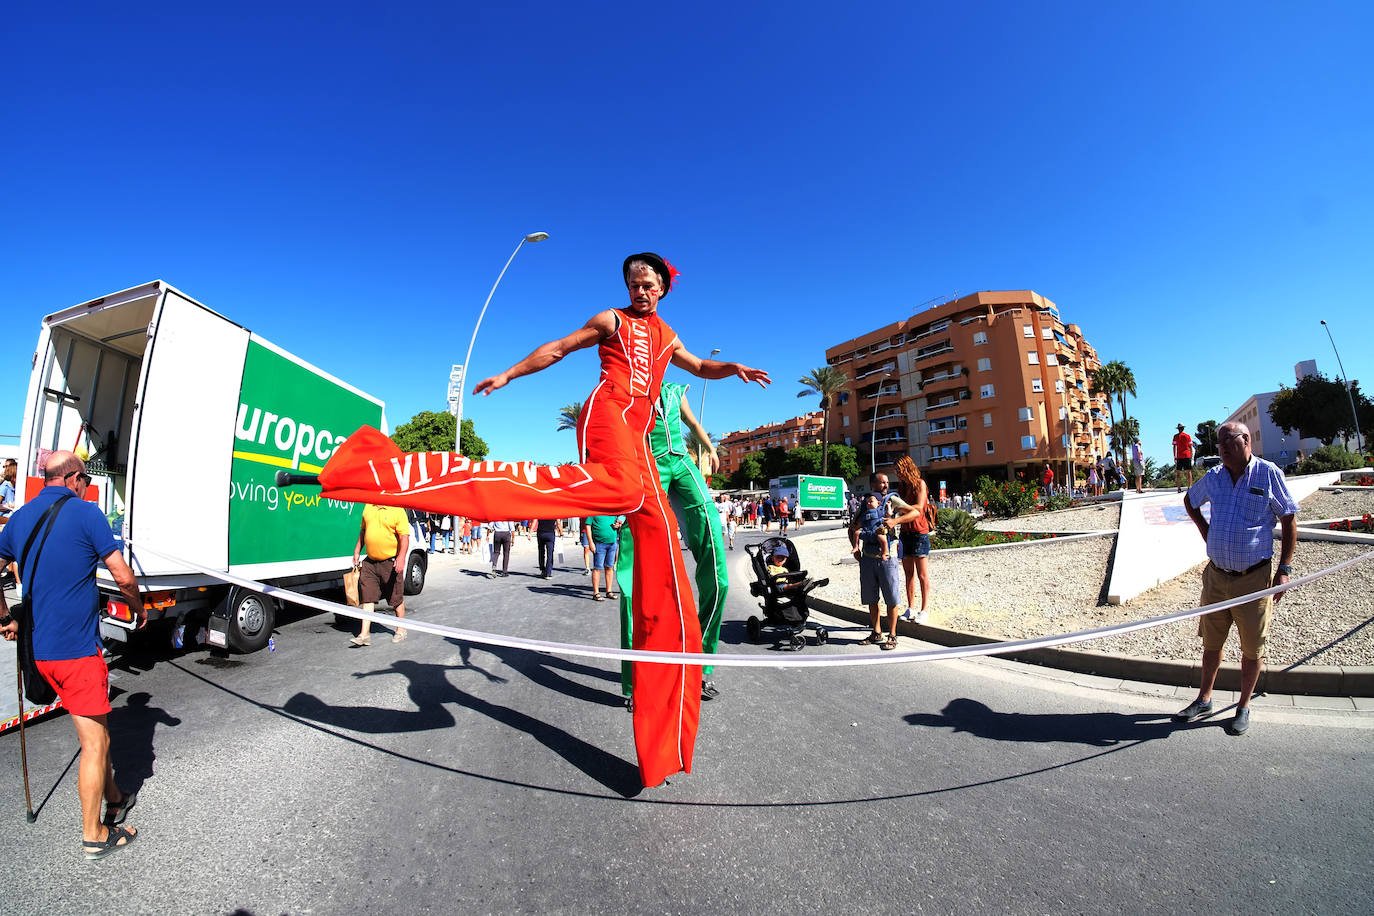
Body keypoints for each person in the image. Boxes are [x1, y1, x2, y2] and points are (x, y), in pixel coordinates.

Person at [316, 252, 769, 788]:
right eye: (633, 283)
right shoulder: (611, 320)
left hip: (642, 442)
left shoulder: (668, 334)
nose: (639, 291)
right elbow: (557, 348)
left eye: (647, 285)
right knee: (622, 490)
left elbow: (697, 367)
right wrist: (510, 373)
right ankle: (515, 486)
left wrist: (732, 368)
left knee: (665, 548)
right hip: (606, 419)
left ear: (664, 289)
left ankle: (662, 730)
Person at [0, 451, 146, 859]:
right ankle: (94, 835)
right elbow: (122, 575)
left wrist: (4, 618)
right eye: (84, 479)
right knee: (94, 742)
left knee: (95, 729)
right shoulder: (87, 514)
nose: (86, 486)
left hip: (40, 653)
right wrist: (138, 609)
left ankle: (114, 796)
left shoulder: (19, 519)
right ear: (74, 478)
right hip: (77, 652)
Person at [1174, 422, 1298, 736]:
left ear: (1245, 440)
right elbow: (1190, 501)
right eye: (1219, 443)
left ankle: (1243, 706)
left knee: (1252, 648)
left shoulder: (1268, 474)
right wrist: (1207, 531)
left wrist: (1284, 569)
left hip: (1252, 581)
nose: (1222, 447)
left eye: (1227, 441)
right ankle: (1204, 699)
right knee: (1212, 644)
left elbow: (1288, 518)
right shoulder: (1214, 478)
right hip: (1216, 579)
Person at [615, 382, 729, 702]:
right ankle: (634, 680)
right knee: (632, 578)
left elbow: (692, 423)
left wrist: (710, 447)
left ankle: (700, 668)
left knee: (719, 579)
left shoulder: (676, 390)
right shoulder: (627, 388)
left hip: (682, 462)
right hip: (648, 465)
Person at [848, 473, 902, 650]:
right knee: (872, 598)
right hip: (868, 559)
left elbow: (915, 511)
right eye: (882, 482)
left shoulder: (892, 500)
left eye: (887, 482)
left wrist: (895, 520)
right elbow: (853, 527)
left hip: (888, 558)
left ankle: (892, 635)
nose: (886, 485)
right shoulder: (865, 504)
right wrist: (855, 549)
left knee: (891, 598)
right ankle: (876, 631)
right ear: (873, 484)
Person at [350, 502, 410, 645]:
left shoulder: (397, 509)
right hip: (370, 562)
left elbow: (404, 537)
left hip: (390, 562)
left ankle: (401, 629)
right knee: (367, 597)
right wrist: (357, 551)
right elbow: (363, 532)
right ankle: (364, 634)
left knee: (395, 598)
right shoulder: (368, 507)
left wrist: (401, 558)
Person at [893, 455, 932, 624]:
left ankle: (924, 610)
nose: (897, 474)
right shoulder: (902, 487)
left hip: (919, 532)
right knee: (908, 573)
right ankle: (911, 608)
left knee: (922, 574)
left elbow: (920, 508)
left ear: (906, 468)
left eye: (899, 470)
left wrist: (902, 507)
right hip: (905, 533)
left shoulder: (920, 484)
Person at [588, 514, 622, 600]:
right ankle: (596, 593)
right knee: (597, 568)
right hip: (599, 543)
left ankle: (609, 591)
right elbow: (588, 526)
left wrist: (618, 525)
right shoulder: (593, 510)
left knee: (609, 567)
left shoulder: (611, 510)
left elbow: (618, 523)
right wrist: (591, 542)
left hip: (612, 543)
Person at [1173, 423, 1195, 493]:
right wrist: (1191, 456)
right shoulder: (1187, 436)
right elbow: (1190, 447)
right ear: (1183, 429)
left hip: (1179, 456)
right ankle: (1190, 487)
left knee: (1178, 473)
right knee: (1189, 472)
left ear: (1178, 429)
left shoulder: (1175, 436)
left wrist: (1175, 456)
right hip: (1187, 455)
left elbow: (1174, 447)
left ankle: (1179, 488)